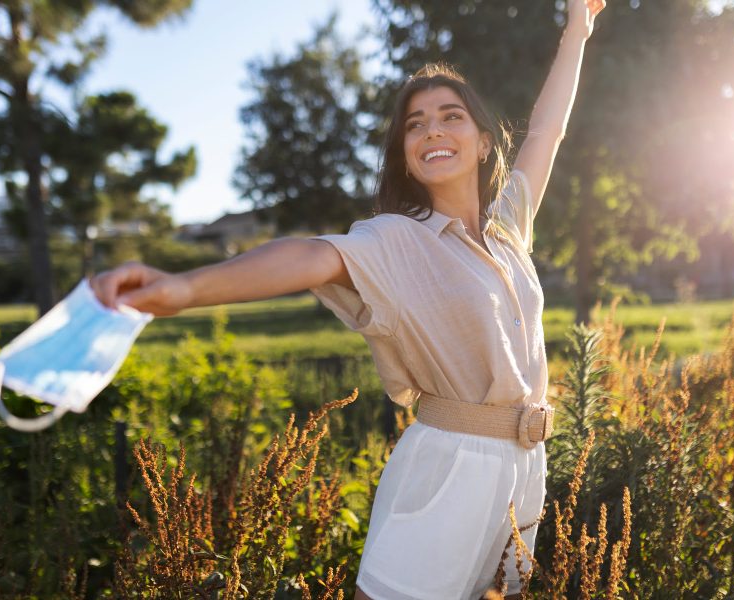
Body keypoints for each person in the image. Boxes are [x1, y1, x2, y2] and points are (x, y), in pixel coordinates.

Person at [92, 1, 603, 597]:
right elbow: (307, 255)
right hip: (448, 466)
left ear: (485, 142)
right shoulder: (394, 240)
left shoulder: (508, 226)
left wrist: (577, 29)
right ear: (406, 155)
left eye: (450, 116)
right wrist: (183, 288)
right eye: (415, 124)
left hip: (525, 464)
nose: (432, 130)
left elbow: (547, 130)